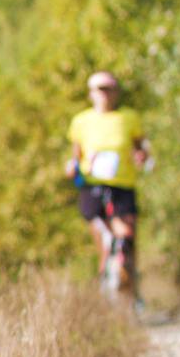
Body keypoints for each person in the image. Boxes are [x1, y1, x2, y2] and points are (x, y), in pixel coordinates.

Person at [66, 70, 149, 295]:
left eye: (109, 89)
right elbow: (76, 155)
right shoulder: (81, 121)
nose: (105, 94)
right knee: (104, 238)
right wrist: (72, 167)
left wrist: (142, 157)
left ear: (116, 92)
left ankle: (130, 288)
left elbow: (141, 148)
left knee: (126, 237)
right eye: (100, 90)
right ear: (91, 93)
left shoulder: (128, 118)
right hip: (92, 185)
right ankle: (105, 283)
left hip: (122, 185)